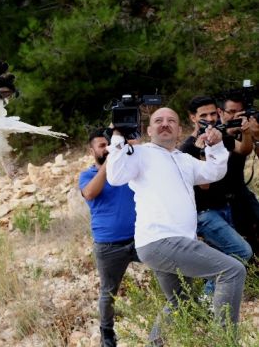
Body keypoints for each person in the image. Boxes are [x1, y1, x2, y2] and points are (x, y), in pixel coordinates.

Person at [106, 107, 245, 344]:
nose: (164, 124)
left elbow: (214, 172)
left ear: (180, 130)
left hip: (173, 243)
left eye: (171, 120)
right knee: (232, 270)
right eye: (158, 120)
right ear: (148, 130)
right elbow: (115, 176)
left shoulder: (184, 159)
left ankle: (155, 343)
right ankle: (226, 341)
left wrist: (216, 145)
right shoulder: (139, 154)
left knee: (182, 302)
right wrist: (118, 137)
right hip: (161, 240)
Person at [178, 96, 252, 280]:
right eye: (204, 115)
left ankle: (216, 299)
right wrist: (204, 151)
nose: (210, 119)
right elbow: (204, 185)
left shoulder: (220, 137)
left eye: (213, 113)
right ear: (192, 118)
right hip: (206, 214)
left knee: (224, 257)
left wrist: (247, 132)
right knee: (241, 252)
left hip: (224, 207)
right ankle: (207, 298)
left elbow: (243, 149)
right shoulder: (187, 148)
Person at [79, 128, 139, 347]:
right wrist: (111, 159)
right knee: (109, 291)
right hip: (109, 244)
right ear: (92, 149)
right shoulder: (87, 175)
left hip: (140, 238)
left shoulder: (126, 170)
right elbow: (90, 193)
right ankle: (107, 332)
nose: (106, 148)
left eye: (109, 144)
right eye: (102, 145)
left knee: (170, 267)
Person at [218, 95, 259, 253]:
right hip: (219, 199)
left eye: (240, 112)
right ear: (221, 112)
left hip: (241, 193)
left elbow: (247, 150)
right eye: (232, 112)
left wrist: (255, 136)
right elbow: (240, 149)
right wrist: (228, 132)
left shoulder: (245, 131)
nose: (236, 116)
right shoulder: (214, 133)